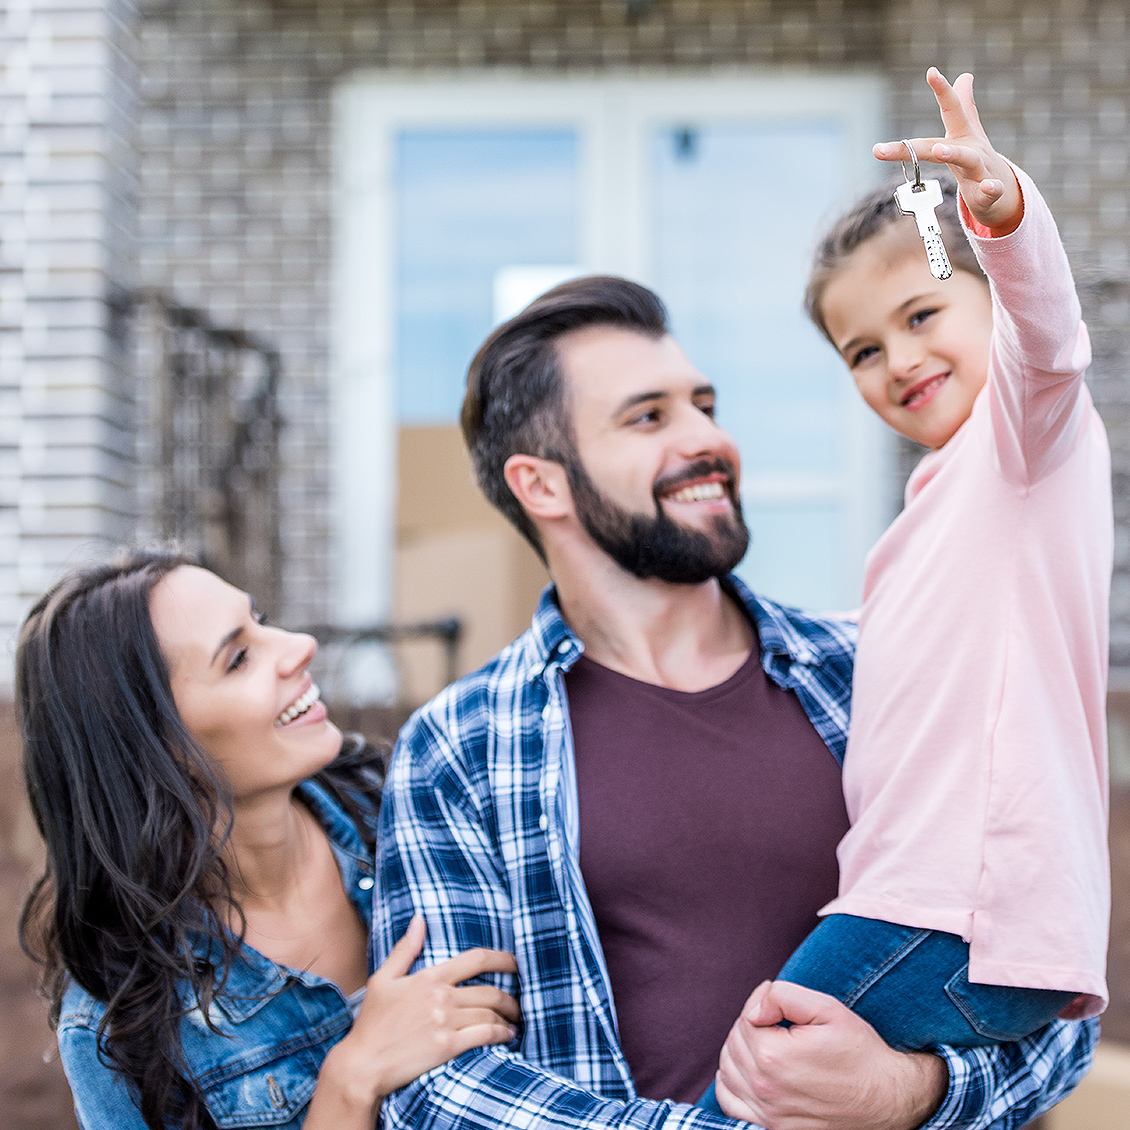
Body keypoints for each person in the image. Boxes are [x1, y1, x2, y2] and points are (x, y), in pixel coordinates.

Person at [373, 268, 1098, 1128]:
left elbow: (1050, 990)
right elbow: (442, 1087)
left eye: (704, 406)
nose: (707, 439)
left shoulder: (871, 672)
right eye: (650, 417)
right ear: (543, 485)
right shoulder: (462, 747)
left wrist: (907, 1095)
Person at [695, 67, 1112, 1117]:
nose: (898, 359)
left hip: (951, 909)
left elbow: (1047, 339)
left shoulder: (1024, 442)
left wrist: (994, 214)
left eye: (923, 311)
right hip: (927, 905)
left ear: (983, 301)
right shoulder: (933, 509)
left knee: (748, 1095)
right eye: (861, 351)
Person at [17, 550, 520, 1130]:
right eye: (238, 659)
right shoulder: (118, 1023)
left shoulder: (417, 806)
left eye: (262, 619)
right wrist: (351, 1080)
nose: (299, 645)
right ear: (155, 752)